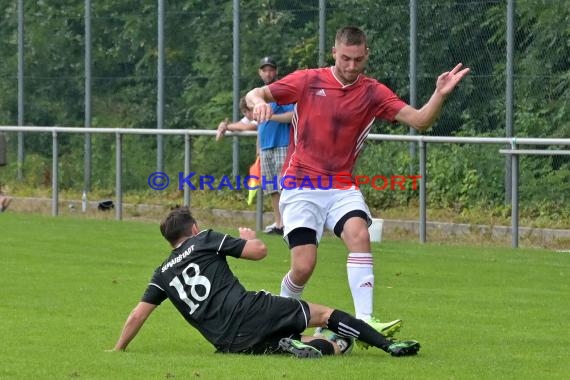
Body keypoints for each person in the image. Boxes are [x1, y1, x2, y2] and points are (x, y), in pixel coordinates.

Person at [246, 26, 470, 336]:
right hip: (300, 185)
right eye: (346, 59)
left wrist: (439, 94)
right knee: (303, 266)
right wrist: (258, 101)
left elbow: (420, 120)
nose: (352, 66)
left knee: (359, 235)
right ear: (334, 53)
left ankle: (364, 321)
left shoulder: (373, 91)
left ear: (367, 56)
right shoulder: (309, 79)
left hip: (341, 185)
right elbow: (256, 93)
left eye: (358, 60)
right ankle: (283, 313)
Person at [110, 206, 421, 358]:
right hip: (251, 310)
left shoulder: (161, 273)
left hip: (229, 343)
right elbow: (258, 253)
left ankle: (305, 344)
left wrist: (118, 348)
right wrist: (250, 238)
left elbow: (138, 314)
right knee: (326, 315)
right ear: (194, 228)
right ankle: (387, 345)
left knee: (307, 342)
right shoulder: (203, 239)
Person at [217, 57, 294, 235]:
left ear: (276, 71)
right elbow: (247, 123)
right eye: (264, 70)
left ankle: (290, 225)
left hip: (283, 145)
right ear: (260, 72)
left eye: (271, 69)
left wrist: (270, 116)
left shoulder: (282, 91)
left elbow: (294, 115)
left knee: (286, 188)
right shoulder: (258, 96)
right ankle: (279, 224)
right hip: (266, 148)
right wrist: (226, 126)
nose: (268, 73)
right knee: (272, 189)